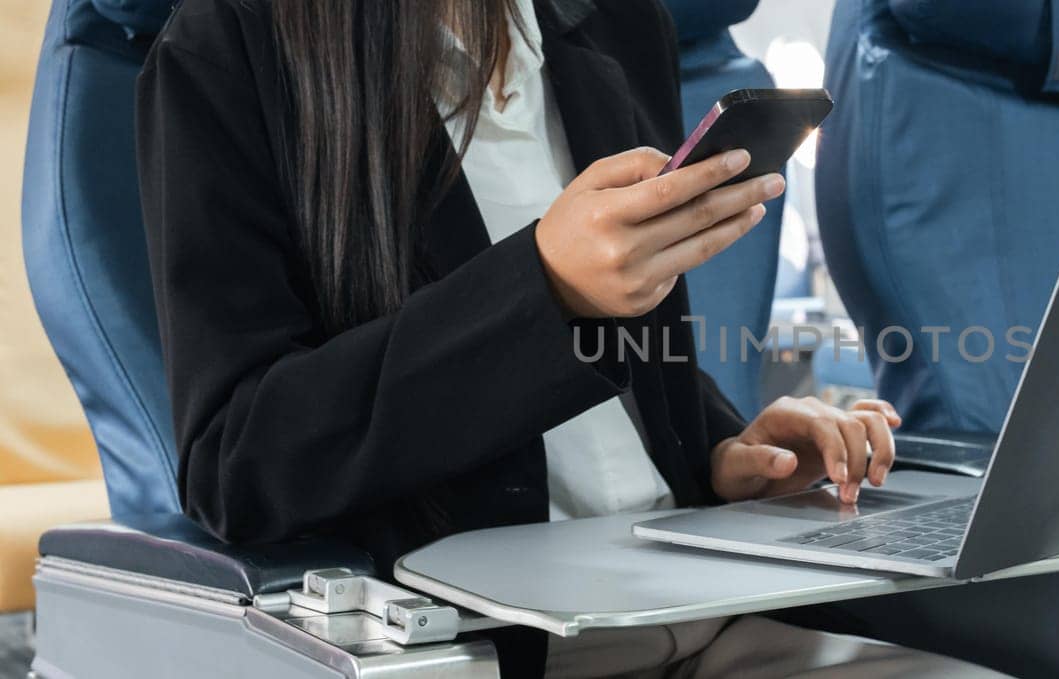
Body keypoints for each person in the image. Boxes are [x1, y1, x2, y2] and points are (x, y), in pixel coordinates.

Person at [136, 0, 1005, 675]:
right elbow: (238, 459)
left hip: (701, 611)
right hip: (485, 648)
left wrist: (721, 452)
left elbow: (630, 389)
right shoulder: (226, 52)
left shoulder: (620, 25)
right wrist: (541, 286)